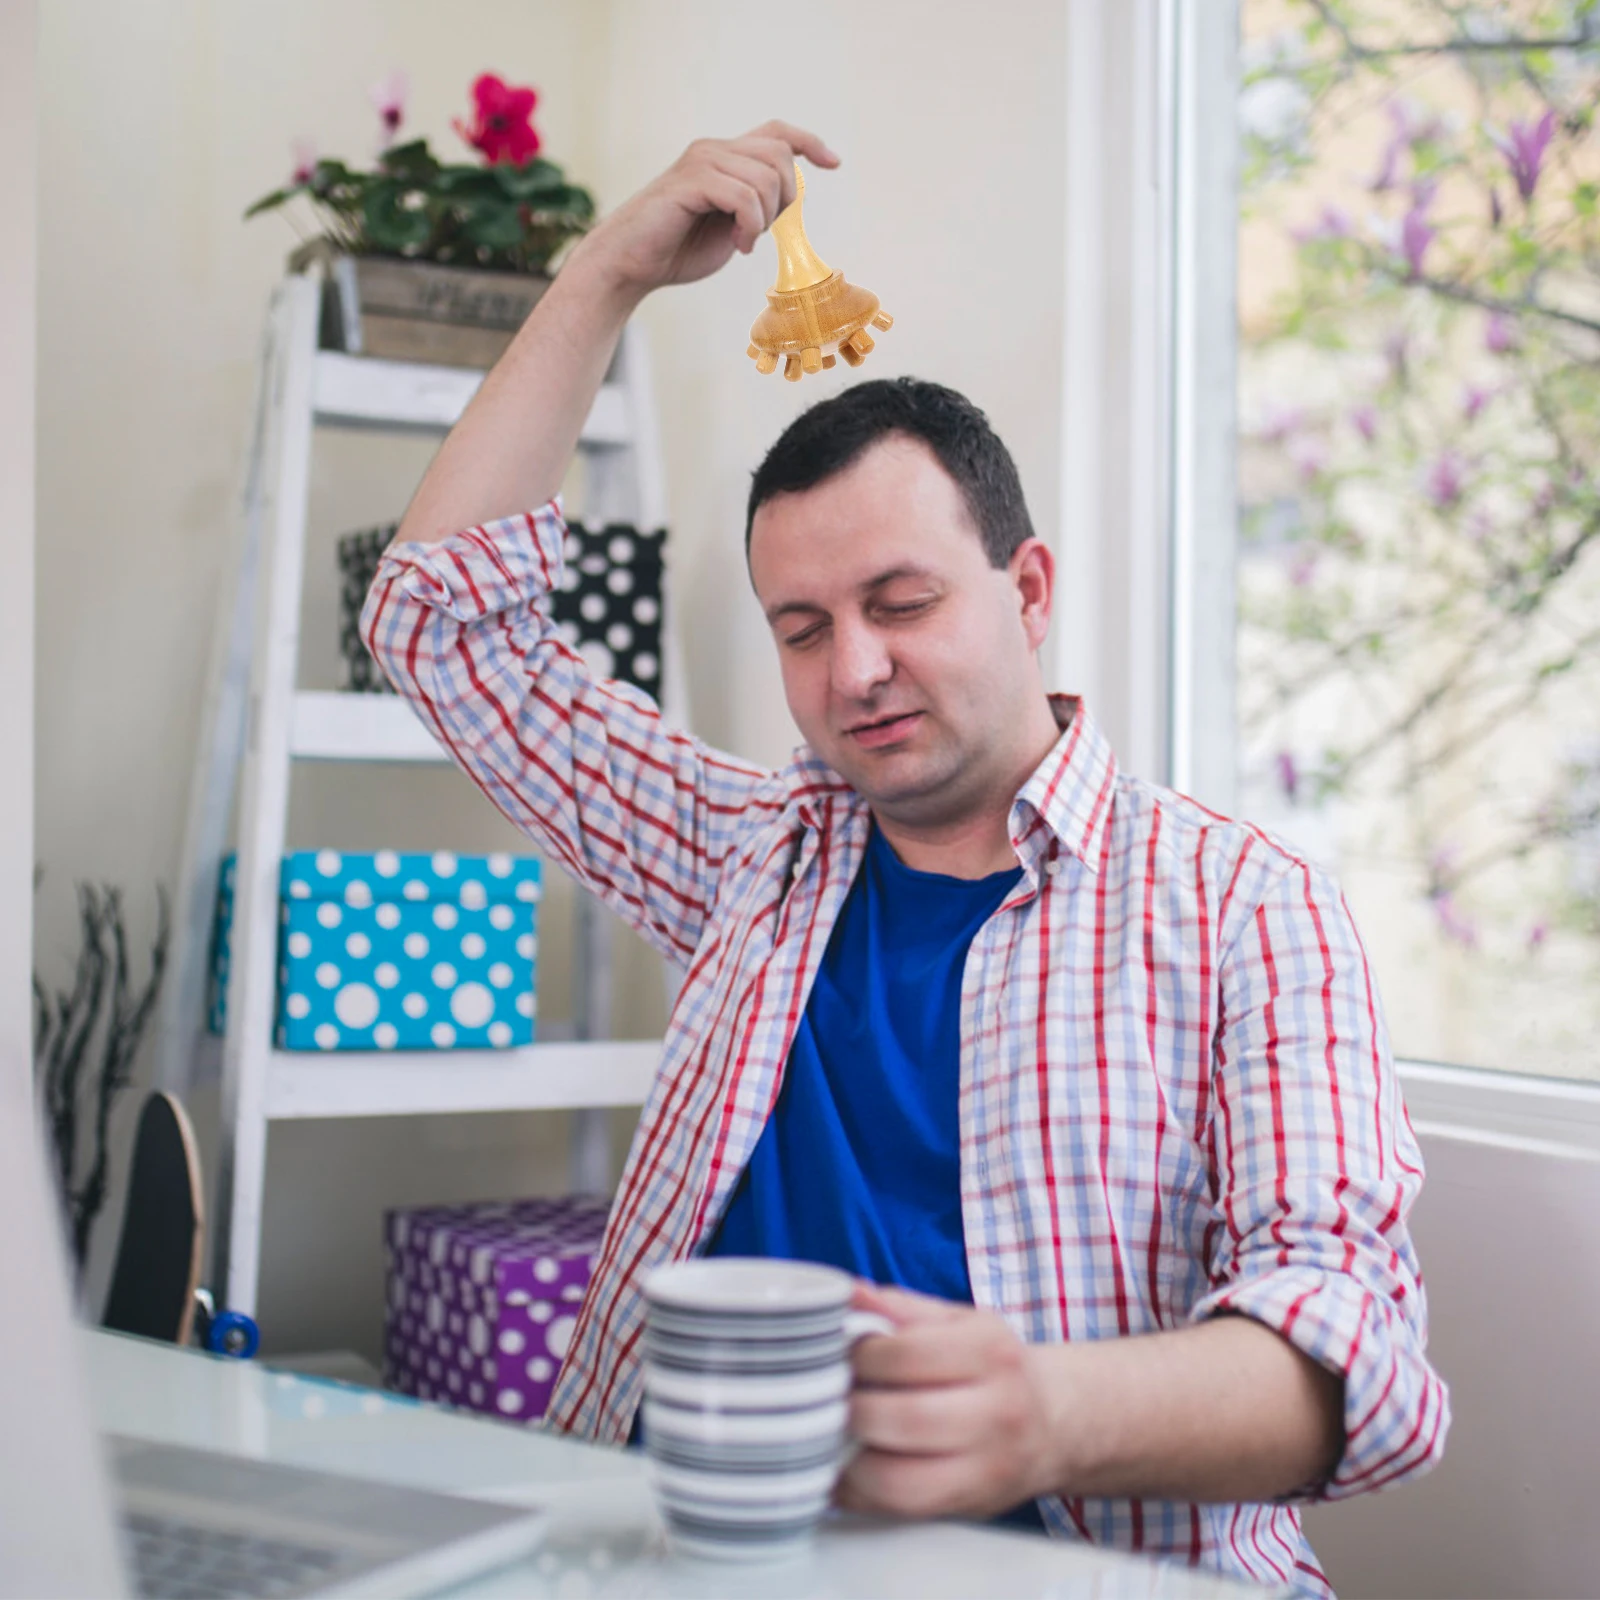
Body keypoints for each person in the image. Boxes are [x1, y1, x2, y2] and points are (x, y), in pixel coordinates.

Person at [360, 123, 1448, 1596]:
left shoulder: (1242, 909)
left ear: (1030, 587)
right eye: (803, 628)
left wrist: (1048, 1417)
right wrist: (610, 272)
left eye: (902, 600)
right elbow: (440, 628)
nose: (855, 667)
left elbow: (1357, 1357)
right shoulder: (747, 856)